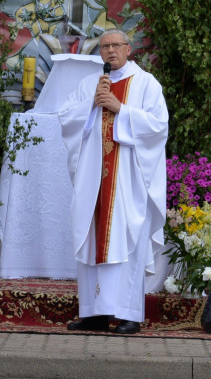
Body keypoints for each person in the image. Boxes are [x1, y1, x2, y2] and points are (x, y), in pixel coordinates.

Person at [59, 29, 168, 335]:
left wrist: (121, 109)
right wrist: (91, 105)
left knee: (127, 241)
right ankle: (94, 313)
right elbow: (66, 119)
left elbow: (159, 126)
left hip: (128, 182)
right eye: (104, 46)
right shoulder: (88, 85)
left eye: (115, 45)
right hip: (95, 181)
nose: (109, 51)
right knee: (94, 239)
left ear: (128, 48)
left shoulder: (146, 84)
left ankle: (129, 314)